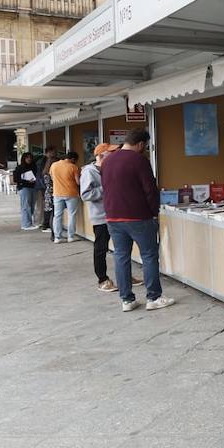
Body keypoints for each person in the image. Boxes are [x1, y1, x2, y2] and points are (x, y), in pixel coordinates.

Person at [101, 129, 175, 312]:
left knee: (121, 256)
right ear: (141, 144)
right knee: (149, 256)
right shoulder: (139, 160)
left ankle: (127, 299)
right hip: (139, 216)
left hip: (113, 217)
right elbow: (150, 189)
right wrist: (153, 212)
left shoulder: (107, 160)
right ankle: (153, 297)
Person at [81, 143, 138, 293]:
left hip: (117, 214)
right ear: (100, 156)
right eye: (110, 153)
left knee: (122, 248)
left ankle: (125, 277)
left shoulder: (110, 168)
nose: (114, 155)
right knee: (101, 248)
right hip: (101, 217)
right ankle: (102, 280)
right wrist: (106, 187)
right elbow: (85, 194)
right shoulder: (89, 172)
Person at [50, 150, 82, 243]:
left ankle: (57, 237)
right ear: (72, 159)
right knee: (71, 215)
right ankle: (71, 236)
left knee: (57, 216)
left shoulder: (54, 165)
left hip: (57, 193)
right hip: (71, 193)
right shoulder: (73, 167)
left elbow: (52, 178)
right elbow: (78, 182)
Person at [14, 152, 40, 230]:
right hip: (24, 187)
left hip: (33, 187)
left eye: (30, 158)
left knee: (32, 205)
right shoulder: (19, 168)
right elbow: (16, 179)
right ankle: (26, 224)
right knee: (26, 205)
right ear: (24, 159)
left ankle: (29, 222)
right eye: (27, 157)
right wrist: (26, 181)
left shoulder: (34, 167)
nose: (29, 159)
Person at [39, 148, 58, 233]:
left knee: (48, 210)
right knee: (52, 212)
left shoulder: (45, 172)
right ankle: (48, 226)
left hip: (48, 192)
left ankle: (46, 225)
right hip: (52, 192)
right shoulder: (51, 173)